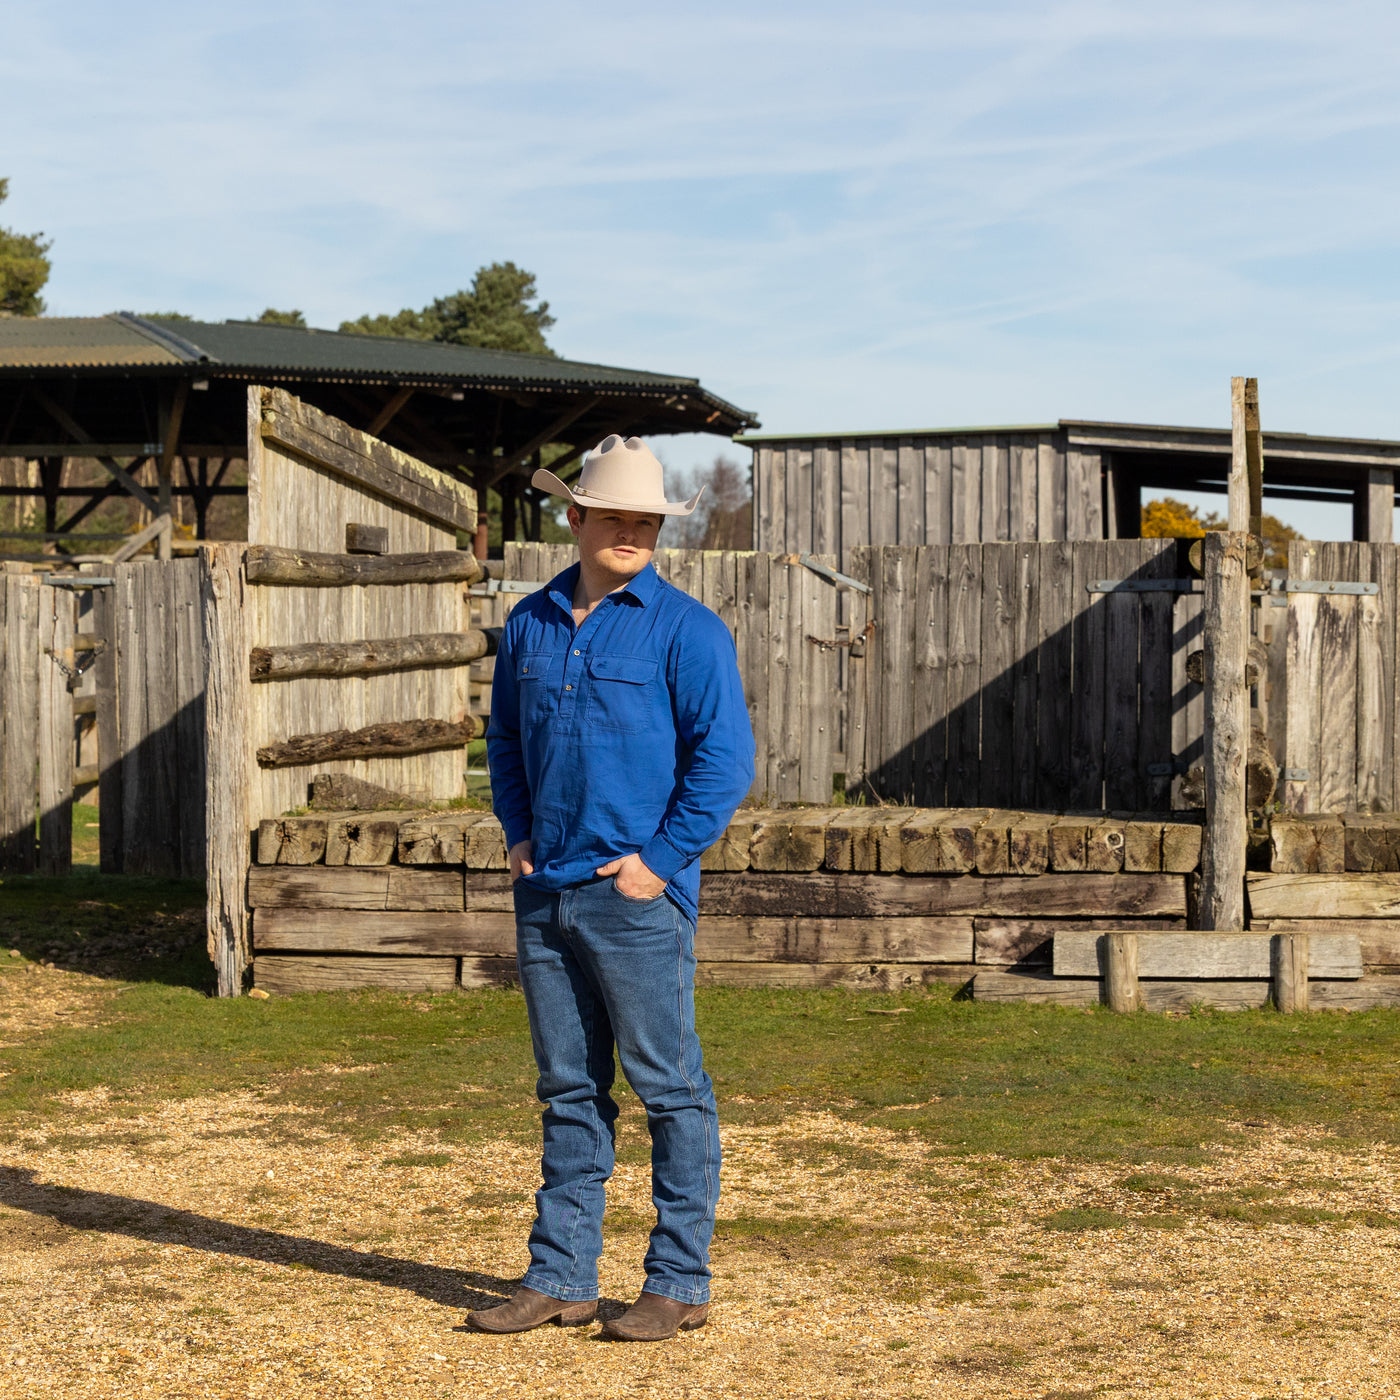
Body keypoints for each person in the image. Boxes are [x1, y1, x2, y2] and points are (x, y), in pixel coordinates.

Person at [468, 435, 754, 1343]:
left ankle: (678, 1281)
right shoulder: (530, 622)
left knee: (670, 1088)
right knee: (567, 1089)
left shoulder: (689, 631)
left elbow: (724, 764)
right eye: (615, 517)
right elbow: (504, 741)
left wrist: (656, 864)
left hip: (632, 897)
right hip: (544, 889)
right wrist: (516, 833)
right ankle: (560, 1276)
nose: (631, 532)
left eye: (647, 521)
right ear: (576, 518)